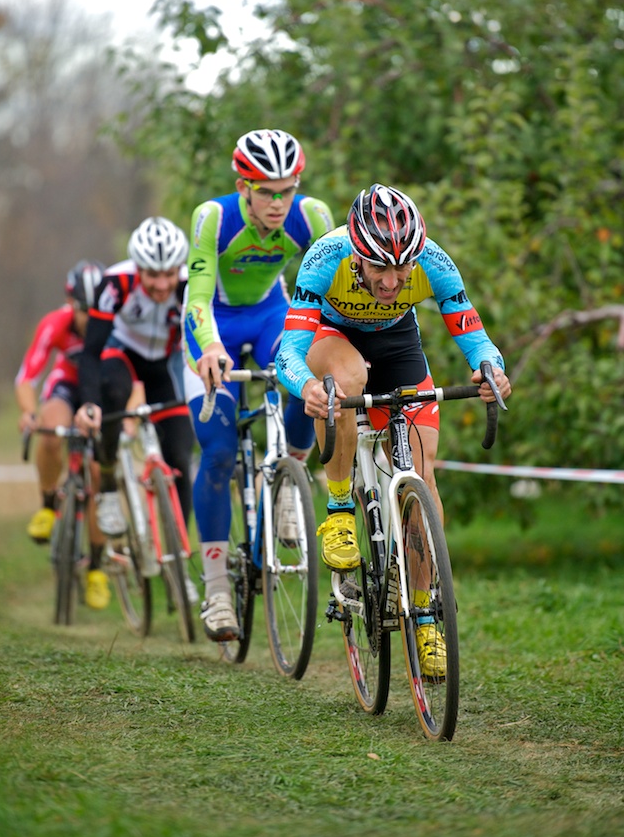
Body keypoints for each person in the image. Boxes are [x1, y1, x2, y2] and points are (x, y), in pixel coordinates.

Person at [275, 183, 512, 676]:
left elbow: (476, 339)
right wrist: (307, 388)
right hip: (332, 337)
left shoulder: (434, 263)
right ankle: (340, 509)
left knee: (422, 479)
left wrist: (490, 369)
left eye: (402, 269)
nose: (391, 280)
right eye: (379, 267)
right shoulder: (325, 258)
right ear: (357, 254)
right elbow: (288, 354)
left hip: (398, 344)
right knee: (346, 380)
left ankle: (424, 616)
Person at [183, 128, 334, 642]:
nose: (277, 203)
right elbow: (197, 296)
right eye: (266, 192)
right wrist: (209, 347)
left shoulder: (311, 217)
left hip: (271, 314)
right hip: (213, 323)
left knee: (306, 377)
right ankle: (216, 589)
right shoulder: (214, 217)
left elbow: (330, 293)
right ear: (242, 187)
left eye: (286, 191)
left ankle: (291, 478)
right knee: (219, 452)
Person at [73, 217, 197, 600]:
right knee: (112, 391)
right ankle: (109, 482)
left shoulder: (191, 283)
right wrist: (89, 403)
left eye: (168, 274)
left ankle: (177, 560)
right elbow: (90, 353)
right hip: (122, 354)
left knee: (180, 454)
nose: (161, 285)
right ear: (137, 267)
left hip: (164, 364)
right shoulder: (115, 283)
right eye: (152, 275)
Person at [15, 259, 111, 610]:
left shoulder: (115, 323)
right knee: (50, 430)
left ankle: (97, 569)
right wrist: (29, 412)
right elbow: (27, 376)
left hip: (101, 392)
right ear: (71, 304)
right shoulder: (55, 323)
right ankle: (47, 504)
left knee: (99, 475)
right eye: (85, 311)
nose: (91, 319)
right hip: (66, 386)